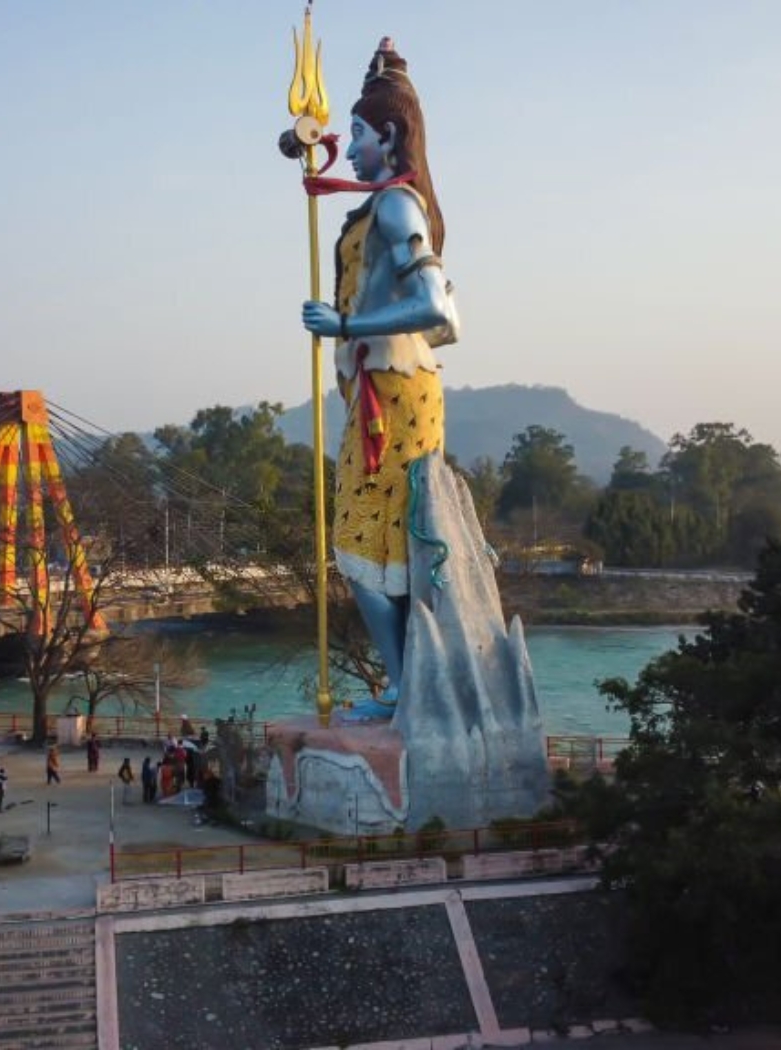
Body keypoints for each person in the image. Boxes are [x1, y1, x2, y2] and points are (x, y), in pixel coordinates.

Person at [300, 37, 458, 723]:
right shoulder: (375, 206)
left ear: (389, 136)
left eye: (360, 134)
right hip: (374, 394)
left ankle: (404, 687)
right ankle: (406, 685)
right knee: (379, 544)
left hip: (394, 394)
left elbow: (436, 308)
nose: (352, 146)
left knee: (363, 543)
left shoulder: (397, 206)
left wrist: (343, 329)